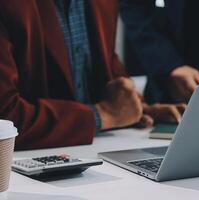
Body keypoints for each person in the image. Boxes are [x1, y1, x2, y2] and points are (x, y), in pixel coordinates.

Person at [0, 0, 185, 150]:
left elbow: (107, 67)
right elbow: (5, 119)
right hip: (28, 171)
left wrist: (137, 108)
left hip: (96, 153)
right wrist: (103, 115)